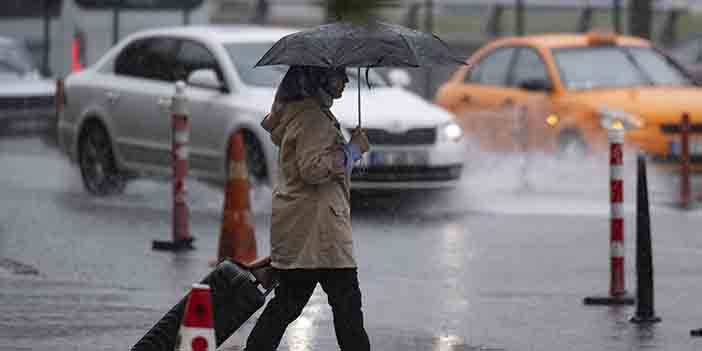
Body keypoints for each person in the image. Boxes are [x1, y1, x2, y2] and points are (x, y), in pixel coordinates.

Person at [246, 65, 371, 351]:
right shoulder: (313, 119)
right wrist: (352, 150)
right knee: (347, 308)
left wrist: (349, 152)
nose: (346, 81)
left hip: (307, 230)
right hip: (319, 232)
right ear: (318, 78)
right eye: (339, 75)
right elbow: (313, 170)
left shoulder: (306, 113)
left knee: (288, 305)